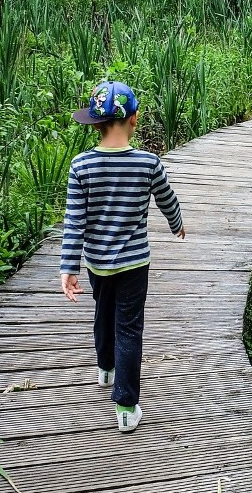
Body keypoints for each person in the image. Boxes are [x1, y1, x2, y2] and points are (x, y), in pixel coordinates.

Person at [60, 80, 185, 433]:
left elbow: (75, 221)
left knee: (103, 313)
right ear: (135, 119)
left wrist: (68, 267)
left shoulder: (80, 166)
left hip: (97, 262)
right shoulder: (148, 163)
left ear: (95, 123)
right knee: (128, 328)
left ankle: (105, 370)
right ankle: (127, 407)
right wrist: (177, 225)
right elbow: (167, 200)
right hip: (134, 263)